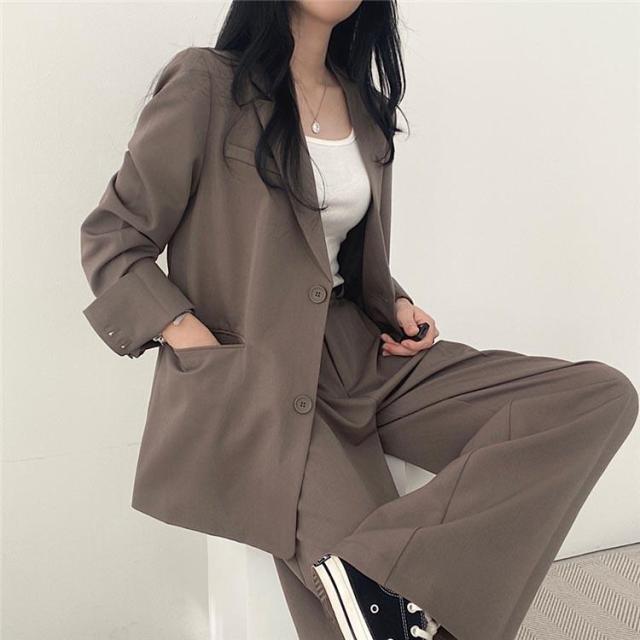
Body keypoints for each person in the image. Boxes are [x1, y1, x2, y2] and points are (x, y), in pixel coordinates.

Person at [79, 2, 639, 639]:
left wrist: (394, 304)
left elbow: (333, 256)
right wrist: (190, 336)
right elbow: (113, 237)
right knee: (376, 615)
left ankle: (382, 581)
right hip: (257, 375)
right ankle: (387, 594)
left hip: (365, 354)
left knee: (597, 398)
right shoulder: (208, 83)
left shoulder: (364, 108)